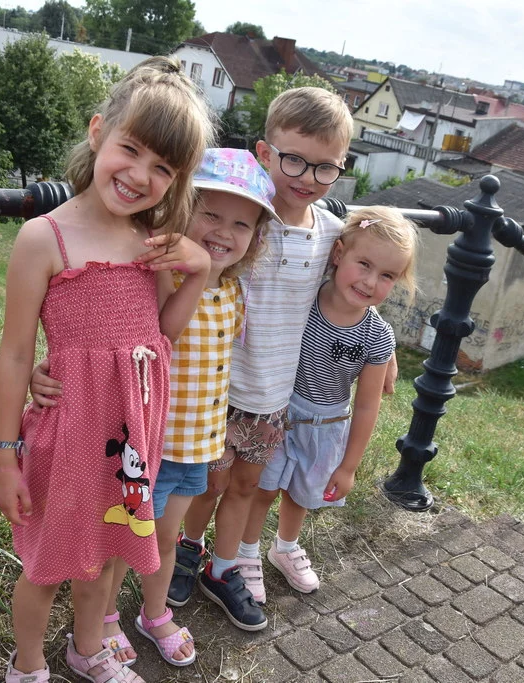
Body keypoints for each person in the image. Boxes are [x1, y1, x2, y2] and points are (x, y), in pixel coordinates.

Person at [0, 56, 213, 683]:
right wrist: (5, 457)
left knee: (111, 555)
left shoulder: (155, 242)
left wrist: (201, 269)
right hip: (66, 438)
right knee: (48, 566)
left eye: (163, 167)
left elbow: (160, 334)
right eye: (131, 149)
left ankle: (89, 649)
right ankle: (28, 664)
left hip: (131, 441)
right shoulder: (43, 239)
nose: (141, 175)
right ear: (97, 133)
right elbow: (13, 355)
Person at [30, 148, 278, 667]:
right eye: (210, 213)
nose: (224, 230)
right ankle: (104, 622)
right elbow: (108, 332)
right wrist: (47, 369)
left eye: (241, 223)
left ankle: (153, 612)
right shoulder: (156, 269)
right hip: (145, 443)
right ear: (182, 209)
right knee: (124, 537)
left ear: (255, 237)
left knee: (164, 539)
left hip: (198, 444)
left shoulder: (234, 292)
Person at [168, 87, 401, 631]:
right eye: (293, 158)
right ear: (264, 152)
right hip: (216, 390)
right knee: (205, 486)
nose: (307, 177)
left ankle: (222, 570)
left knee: (247, 488)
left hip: (273, 396)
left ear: (340, 169)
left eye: (325, 168)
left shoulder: (330, 235)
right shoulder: (243, 220)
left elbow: (357, 284)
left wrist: (385, 351)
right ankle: (187, 549)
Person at [253, 206, 416, 594]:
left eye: (387, 275)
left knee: (301, 495)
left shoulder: (376, 337)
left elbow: (366, 404)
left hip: (327, 426)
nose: (370, 281)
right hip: (278, 410)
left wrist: (349, 466)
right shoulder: (305, 298)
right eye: (364, 264)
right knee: (262, 489)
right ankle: (244, 553)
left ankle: (285, 548)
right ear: (339, 254)